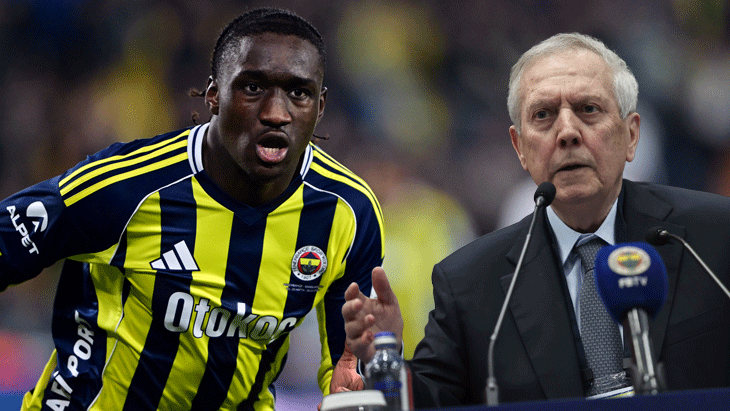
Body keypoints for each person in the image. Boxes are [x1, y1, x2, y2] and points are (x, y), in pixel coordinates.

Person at [0, 7, 384, 411]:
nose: (276, 113)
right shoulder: (127, 187)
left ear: (320, 107)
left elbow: (348, 366)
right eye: (253, 88)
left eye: (299, 93)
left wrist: (357, 389)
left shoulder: (348, 213)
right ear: (214, 94)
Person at [340, 32, 730, 407]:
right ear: (520, 148)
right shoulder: (470, 284)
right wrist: (385, 355)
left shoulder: (712, 236)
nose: (567, 132)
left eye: (588, 109)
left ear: (631, 135)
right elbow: (435, 400)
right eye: (543, 115)